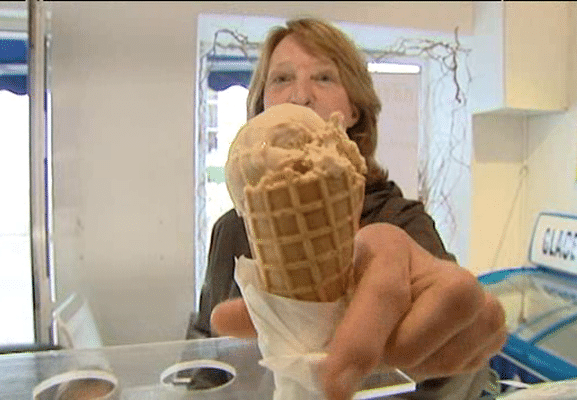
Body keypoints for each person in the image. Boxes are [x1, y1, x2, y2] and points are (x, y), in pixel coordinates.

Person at [192, 17, 507, 400]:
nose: (300, 96)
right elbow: (204, 362)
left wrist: (467, 350)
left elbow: (445, 349)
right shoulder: (230, 229)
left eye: (324, 78)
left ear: (354, 109)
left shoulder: (403, 222)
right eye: (281, 79)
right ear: (261, 105)